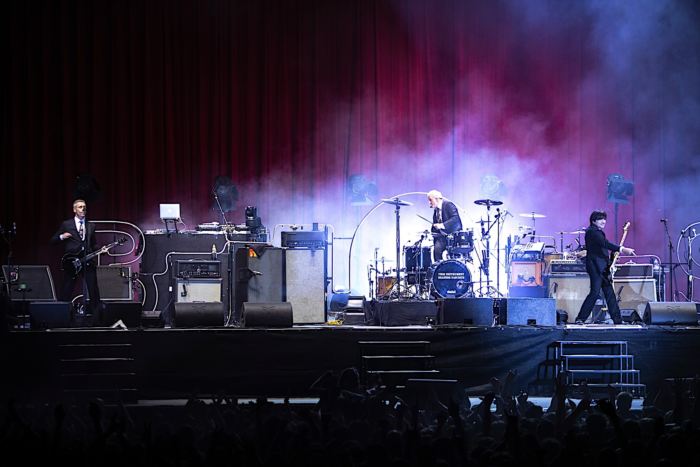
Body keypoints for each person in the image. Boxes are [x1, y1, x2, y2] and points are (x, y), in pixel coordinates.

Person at [574, 210, 634, 324]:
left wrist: (612, 257)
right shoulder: (592, 232)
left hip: (602, 267)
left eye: (604, 219)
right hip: (596, 268)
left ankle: (617, 320)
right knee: (594, 293)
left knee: (609, 293)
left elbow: (602, 249)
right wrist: (623, 249)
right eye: (601, 219)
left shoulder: (597, 232)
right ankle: (580, 319)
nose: (604, 221)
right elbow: (605, 244)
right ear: (593, 220)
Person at [51, 199, 102, 323]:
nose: (83, 209)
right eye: (80, 207)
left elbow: (93, 244)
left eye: (84, 207)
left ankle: (97, 319)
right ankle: (61, 317)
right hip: (72, 262)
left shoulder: (91, 225)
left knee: (93, 290)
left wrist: (101, 250)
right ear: (74, 209)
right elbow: (53, 240)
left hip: (87, 261)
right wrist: (62, 236)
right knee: (67, 290)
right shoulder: (66, 224)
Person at [427, 190, 463, 262]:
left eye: (430, 200)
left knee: (453, 257)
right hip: (443, 237)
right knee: (437, 251)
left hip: (453, 236)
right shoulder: (436, 210)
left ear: (436, 199)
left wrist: (442, 225)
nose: (429, 202)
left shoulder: (448, 205)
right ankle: (439, 269)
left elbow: (455, 219)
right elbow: (435, 224)